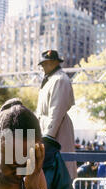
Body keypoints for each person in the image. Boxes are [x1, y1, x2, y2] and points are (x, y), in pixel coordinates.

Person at [35, 49, 77, 180]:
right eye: (42, 64)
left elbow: (56, 111)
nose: (42, 67)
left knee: (60, 169)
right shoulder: (51, 79)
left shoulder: (60, 79)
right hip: (48, 128)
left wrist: (48, 138)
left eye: (45, 63)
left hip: (57, 130)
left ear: (54, 63)